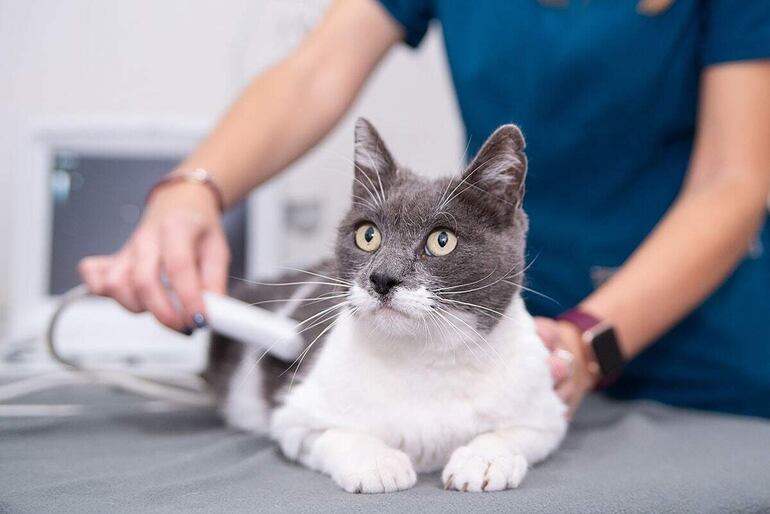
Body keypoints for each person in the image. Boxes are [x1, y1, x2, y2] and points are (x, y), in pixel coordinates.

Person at [79, 0, 770, 418]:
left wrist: (591, 340)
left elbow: (732, 181)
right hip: (484, 332)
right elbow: (317, 69)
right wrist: (194, 188)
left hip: (696, 341)